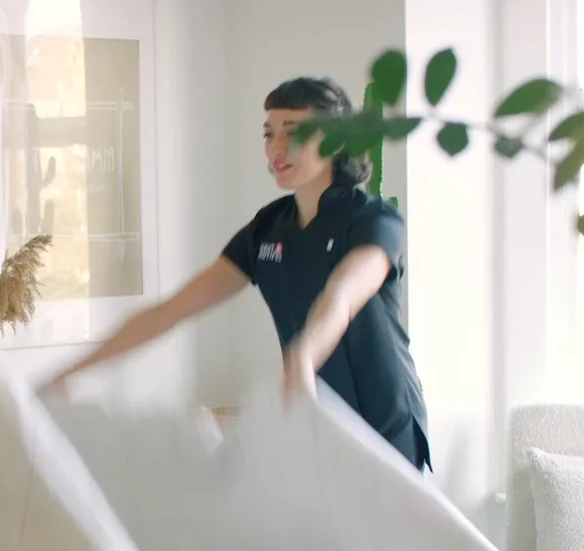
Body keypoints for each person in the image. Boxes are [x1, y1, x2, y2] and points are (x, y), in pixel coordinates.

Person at [44, 77, 431, 472]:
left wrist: (302, 357)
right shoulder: (268, 228)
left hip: (385, 425)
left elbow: (342, 297)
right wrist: (71, 372)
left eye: (294, 133)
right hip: (314, 416)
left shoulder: (375, 220)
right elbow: (171, 311)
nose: (276, 148)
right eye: (269, 133)